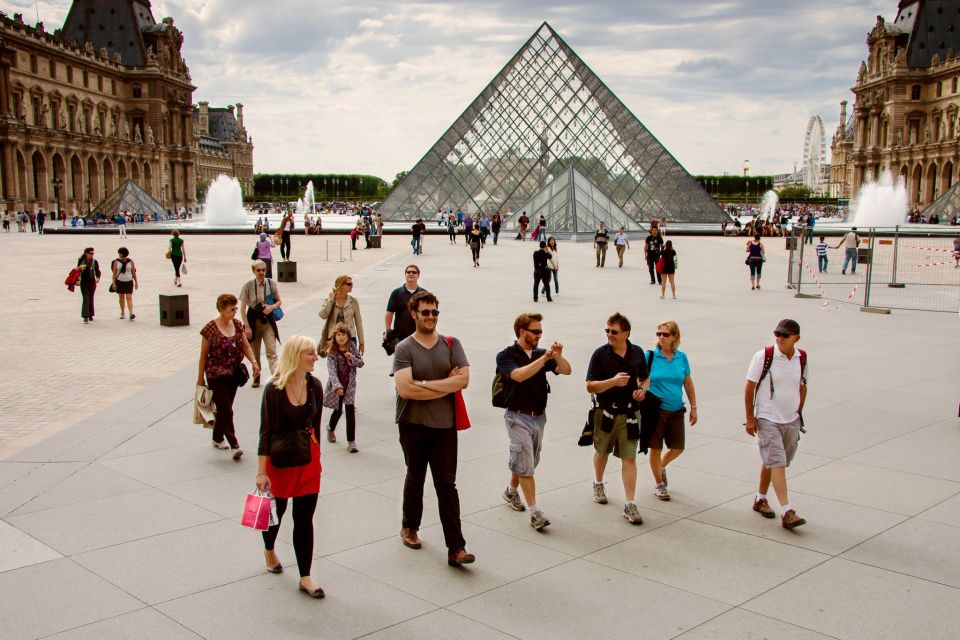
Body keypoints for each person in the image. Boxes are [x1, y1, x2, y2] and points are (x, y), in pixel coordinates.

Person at [392, 291, 475, 566]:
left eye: (434, 312)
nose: (431, 317)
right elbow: (405, 389)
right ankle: (410, 527)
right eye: (425, 312)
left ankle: (456, 548)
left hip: (445, 427)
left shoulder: (452, 344)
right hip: (413, 426)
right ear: (413, 314)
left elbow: (463, 381)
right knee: (415, 478)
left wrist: (424, 385)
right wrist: (442, 385)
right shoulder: (404, 348)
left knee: (446, 486)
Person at [256, 335, 325, 598]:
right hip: (279, 461)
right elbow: (265, 431)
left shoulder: (315, 385)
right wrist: (261, 471)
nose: (315, 357)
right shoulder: (274, 388)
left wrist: (317, 458)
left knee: (304, 518)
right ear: (296, 355)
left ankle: (305, 576)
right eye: (310, 353)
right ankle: (269, 547)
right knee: (276, 513)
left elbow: (316, 426)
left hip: (307, 461)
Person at [497, 313, 571, 529]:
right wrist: (544, 359)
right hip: (517, 416)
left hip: (539, 417)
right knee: (526, 463)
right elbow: (519, 375)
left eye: (541, 331)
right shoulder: (506, 355)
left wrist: (557, 356)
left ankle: (511, 492)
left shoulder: (541, 354)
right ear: (522, 332)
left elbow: (566, 370)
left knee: (527, 459)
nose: (540, 335)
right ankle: (535, 513)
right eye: (536, 331)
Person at [745, 319, 809, 530]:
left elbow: (802, 386)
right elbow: (749, 387)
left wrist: (798, 413)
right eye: (777, 334)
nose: (780, 338)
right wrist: (751, 418)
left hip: (790, 419)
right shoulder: (764, 356)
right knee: (778, 462)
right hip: (767, 418)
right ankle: (787, 511)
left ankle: (760, 499)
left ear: (796, 338)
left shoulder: (802, 358)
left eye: (785, 335)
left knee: (773, 461)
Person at [586, 312, 649, 525]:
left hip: (631, 414)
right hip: (606, 413)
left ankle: (630, 504)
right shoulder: (600, 355)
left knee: (629, 458)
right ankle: (598, 482)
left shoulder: (637, 352)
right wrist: (612, 382)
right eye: (607, 330)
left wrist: (642, 389)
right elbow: (590, 386)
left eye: (614, 332)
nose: (609, 335)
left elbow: (645, 377)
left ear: (626, 333)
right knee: (601, 451)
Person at [198, 294, 260, 459]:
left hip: (233, 373)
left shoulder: (238, 325)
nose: (235, 312)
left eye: (235, 309)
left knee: (225, 409)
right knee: (226, 410)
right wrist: (200, 378)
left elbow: (245, 345)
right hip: (215, 374)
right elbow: (203, 355)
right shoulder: (210, 329)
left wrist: (254, 362)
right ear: (222, 310)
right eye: (232, 309)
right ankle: (234, 445)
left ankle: (217, 437)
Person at [645, 321, 697, 501]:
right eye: (659, 333)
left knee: (677, 447)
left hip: (676, 409)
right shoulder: (650, 356)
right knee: (655, 447)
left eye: (666, 334)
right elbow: (639, 379)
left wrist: (694, 407)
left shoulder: (681, 357)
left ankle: (660, 467)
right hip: (655, 410)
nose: (661, 337)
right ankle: (659, 484)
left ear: (675, 337)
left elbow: (688, 383)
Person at [240, 261, 283, 388]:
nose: (261, 273)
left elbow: (279, 301)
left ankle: (276, 378)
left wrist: (272, 307)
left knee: (271, 351)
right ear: (253, 271)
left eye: (263, 270)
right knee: (255, 352)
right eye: (258, 270)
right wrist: (246, 326)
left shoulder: (270, 283)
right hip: (253, 320)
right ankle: (256, 376)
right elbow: (242, 309)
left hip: (268, 320)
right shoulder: (248, 285)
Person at [323, 322, 364, 452]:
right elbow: (332, 371)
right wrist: (337, 386)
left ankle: (351, 441)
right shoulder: (332, 352)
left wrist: (351, 358)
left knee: (350, 411)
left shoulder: (351, 347)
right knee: (338, 409)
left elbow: (361, 362)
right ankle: (330, 428)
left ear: (348, 336)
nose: (341, 337)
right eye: (338, 335)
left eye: (343, 334)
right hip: (337, 386)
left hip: (350, 385)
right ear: (335, 337)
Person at [319, 275, 365, 353]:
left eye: (352, 284)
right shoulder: (329, 300)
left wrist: (362, 342)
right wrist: (331, 301)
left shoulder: (353, 301)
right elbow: (323, 315)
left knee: (350, 362)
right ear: (341, 285)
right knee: (334, 363)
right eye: (349, 284)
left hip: (350, 337)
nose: (352, 286)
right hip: (333, 338)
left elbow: (358, 323)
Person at [385, 265, 425, 349]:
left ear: (418, 275)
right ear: (405, 275)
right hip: (400, 336)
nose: (411, 274)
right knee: (401, 361)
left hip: (418, 335)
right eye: (408, 272)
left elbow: (430, 314)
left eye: (414, 272)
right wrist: (388, 331)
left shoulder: (423, 294)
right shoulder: (396, 293)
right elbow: (389, 313)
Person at [111, 247, 138, 320]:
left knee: (129, 297)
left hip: (129, 281)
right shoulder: (116, 262)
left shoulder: (131, 262)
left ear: (123, 254)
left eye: (120, 253)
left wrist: (136, 282)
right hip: (120, 281)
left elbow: (133, 273)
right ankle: (122, 312)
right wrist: (114, 283)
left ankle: (131, 313)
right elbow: (114, 273)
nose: (119, 254)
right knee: (121, 297)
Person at [77, 247, 101, 323]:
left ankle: (90, 314)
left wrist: (98, 277)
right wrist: (80, 268)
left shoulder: (95, 261)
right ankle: (85, 316)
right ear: (86, 253)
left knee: (91, 298)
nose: (92, 255)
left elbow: (97, 271)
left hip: (92, 281)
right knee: (86, 298)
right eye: (90, 253)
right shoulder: (81, 260)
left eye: (93, 253)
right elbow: (78, 270)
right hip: (84, 281)